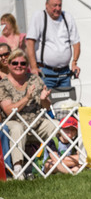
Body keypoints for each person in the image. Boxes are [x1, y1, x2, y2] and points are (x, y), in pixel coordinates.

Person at [0, 49, 58, 179]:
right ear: (8, 65)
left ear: (27, 65)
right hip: (14, 122)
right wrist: (26, 98)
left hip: (37, 122)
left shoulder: (35, 79)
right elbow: (8, 111)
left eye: (23, 63)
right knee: (17, 128)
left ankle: (58, 162)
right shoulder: (3, 84)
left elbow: (46, 107)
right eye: (15, 63)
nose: (19, 66)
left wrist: (44, 100)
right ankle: (18, 169)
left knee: (55, 125)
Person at [26, 0, 81, 88]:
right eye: (54, 5)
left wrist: (74, 62)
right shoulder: (40, 16)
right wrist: (34, 67)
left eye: (60, 5)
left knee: (66, 102)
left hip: (65, 73)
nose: (58, 8)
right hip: (45, 73)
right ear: (46, 5)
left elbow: (76, 42)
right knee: (46, 101)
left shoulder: (67, 17)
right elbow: (30, 42)